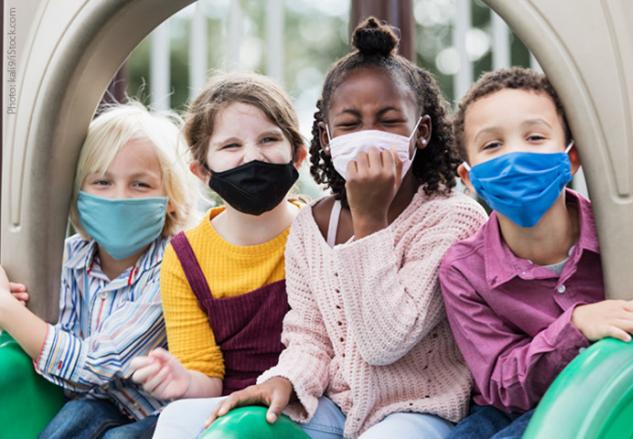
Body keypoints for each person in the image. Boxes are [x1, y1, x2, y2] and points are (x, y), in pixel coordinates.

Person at [160, 18, 487, 439]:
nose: (368, 137)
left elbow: (385, 342)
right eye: (350, 124)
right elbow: (308, 336)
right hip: (336, 406)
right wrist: (284, 380)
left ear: (420, 132)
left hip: (418, 411)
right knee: (182, 422)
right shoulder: (313, 225)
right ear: (326, 139)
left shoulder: (453, 219)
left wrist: (371, 222)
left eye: (388, 121)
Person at [439, 67, 633, 439]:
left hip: (614, 394)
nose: (515, 155)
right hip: (509, 413)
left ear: (572, 158)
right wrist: (576, 326)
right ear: (469, 178)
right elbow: (501, 385)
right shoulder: (463, 270)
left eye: (534, 137)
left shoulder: (624, 235)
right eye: (492, 145)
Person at [0, 102, 194, 438]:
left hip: (156, 413)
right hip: (92, 404)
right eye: (102, 182)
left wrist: (6, 309)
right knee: (77, 414)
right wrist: (15, 301)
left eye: (140, 185)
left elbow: (94, 366)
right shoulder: (69, 258)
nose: (119, 198)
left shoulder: (172, 266)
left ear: (170, 199)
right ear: (78, 195)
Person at [130, 73, 307, 434]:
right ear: (202, 171)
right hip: (226, 407)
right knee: (175, 420)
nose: (252, 157)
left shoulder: (321, 229)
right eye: (230, 146)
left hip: (308, 399)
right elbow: (206, 378)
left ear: (299, 155)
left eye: (269, 139)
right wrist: (183, 381)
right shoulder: (185, 257)